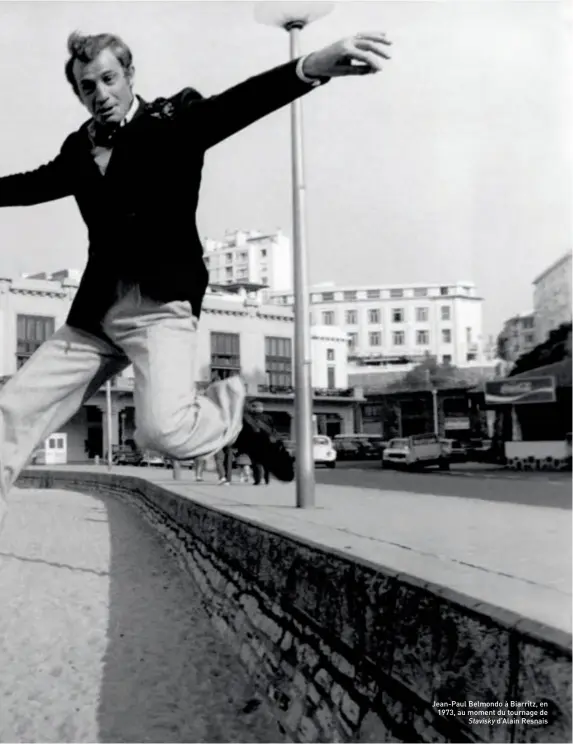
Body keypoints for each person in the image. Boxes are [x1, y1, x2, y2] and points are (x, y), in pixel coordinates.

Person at [0, 29, 391, 524]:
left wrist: (310, 66)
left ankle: (232, 417)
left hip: (162, 308)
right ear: (77, 93)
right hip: (97, 316)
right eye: (87, 87)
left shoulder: (173, 120)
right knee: (12, 406)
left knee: (161, 433)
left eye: (108, 78)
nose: (100, 94)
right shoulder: (78, 148)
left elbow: (239, 104)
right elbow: (32, 185)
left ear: (129, 75)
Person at [247, 401, 275, 486]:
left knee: (256, 462)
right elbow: (272, 430)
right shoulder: (268, 417)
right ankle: (267, 479)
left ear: (254, 408)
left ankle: (257, 480)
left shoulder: (250, 418)